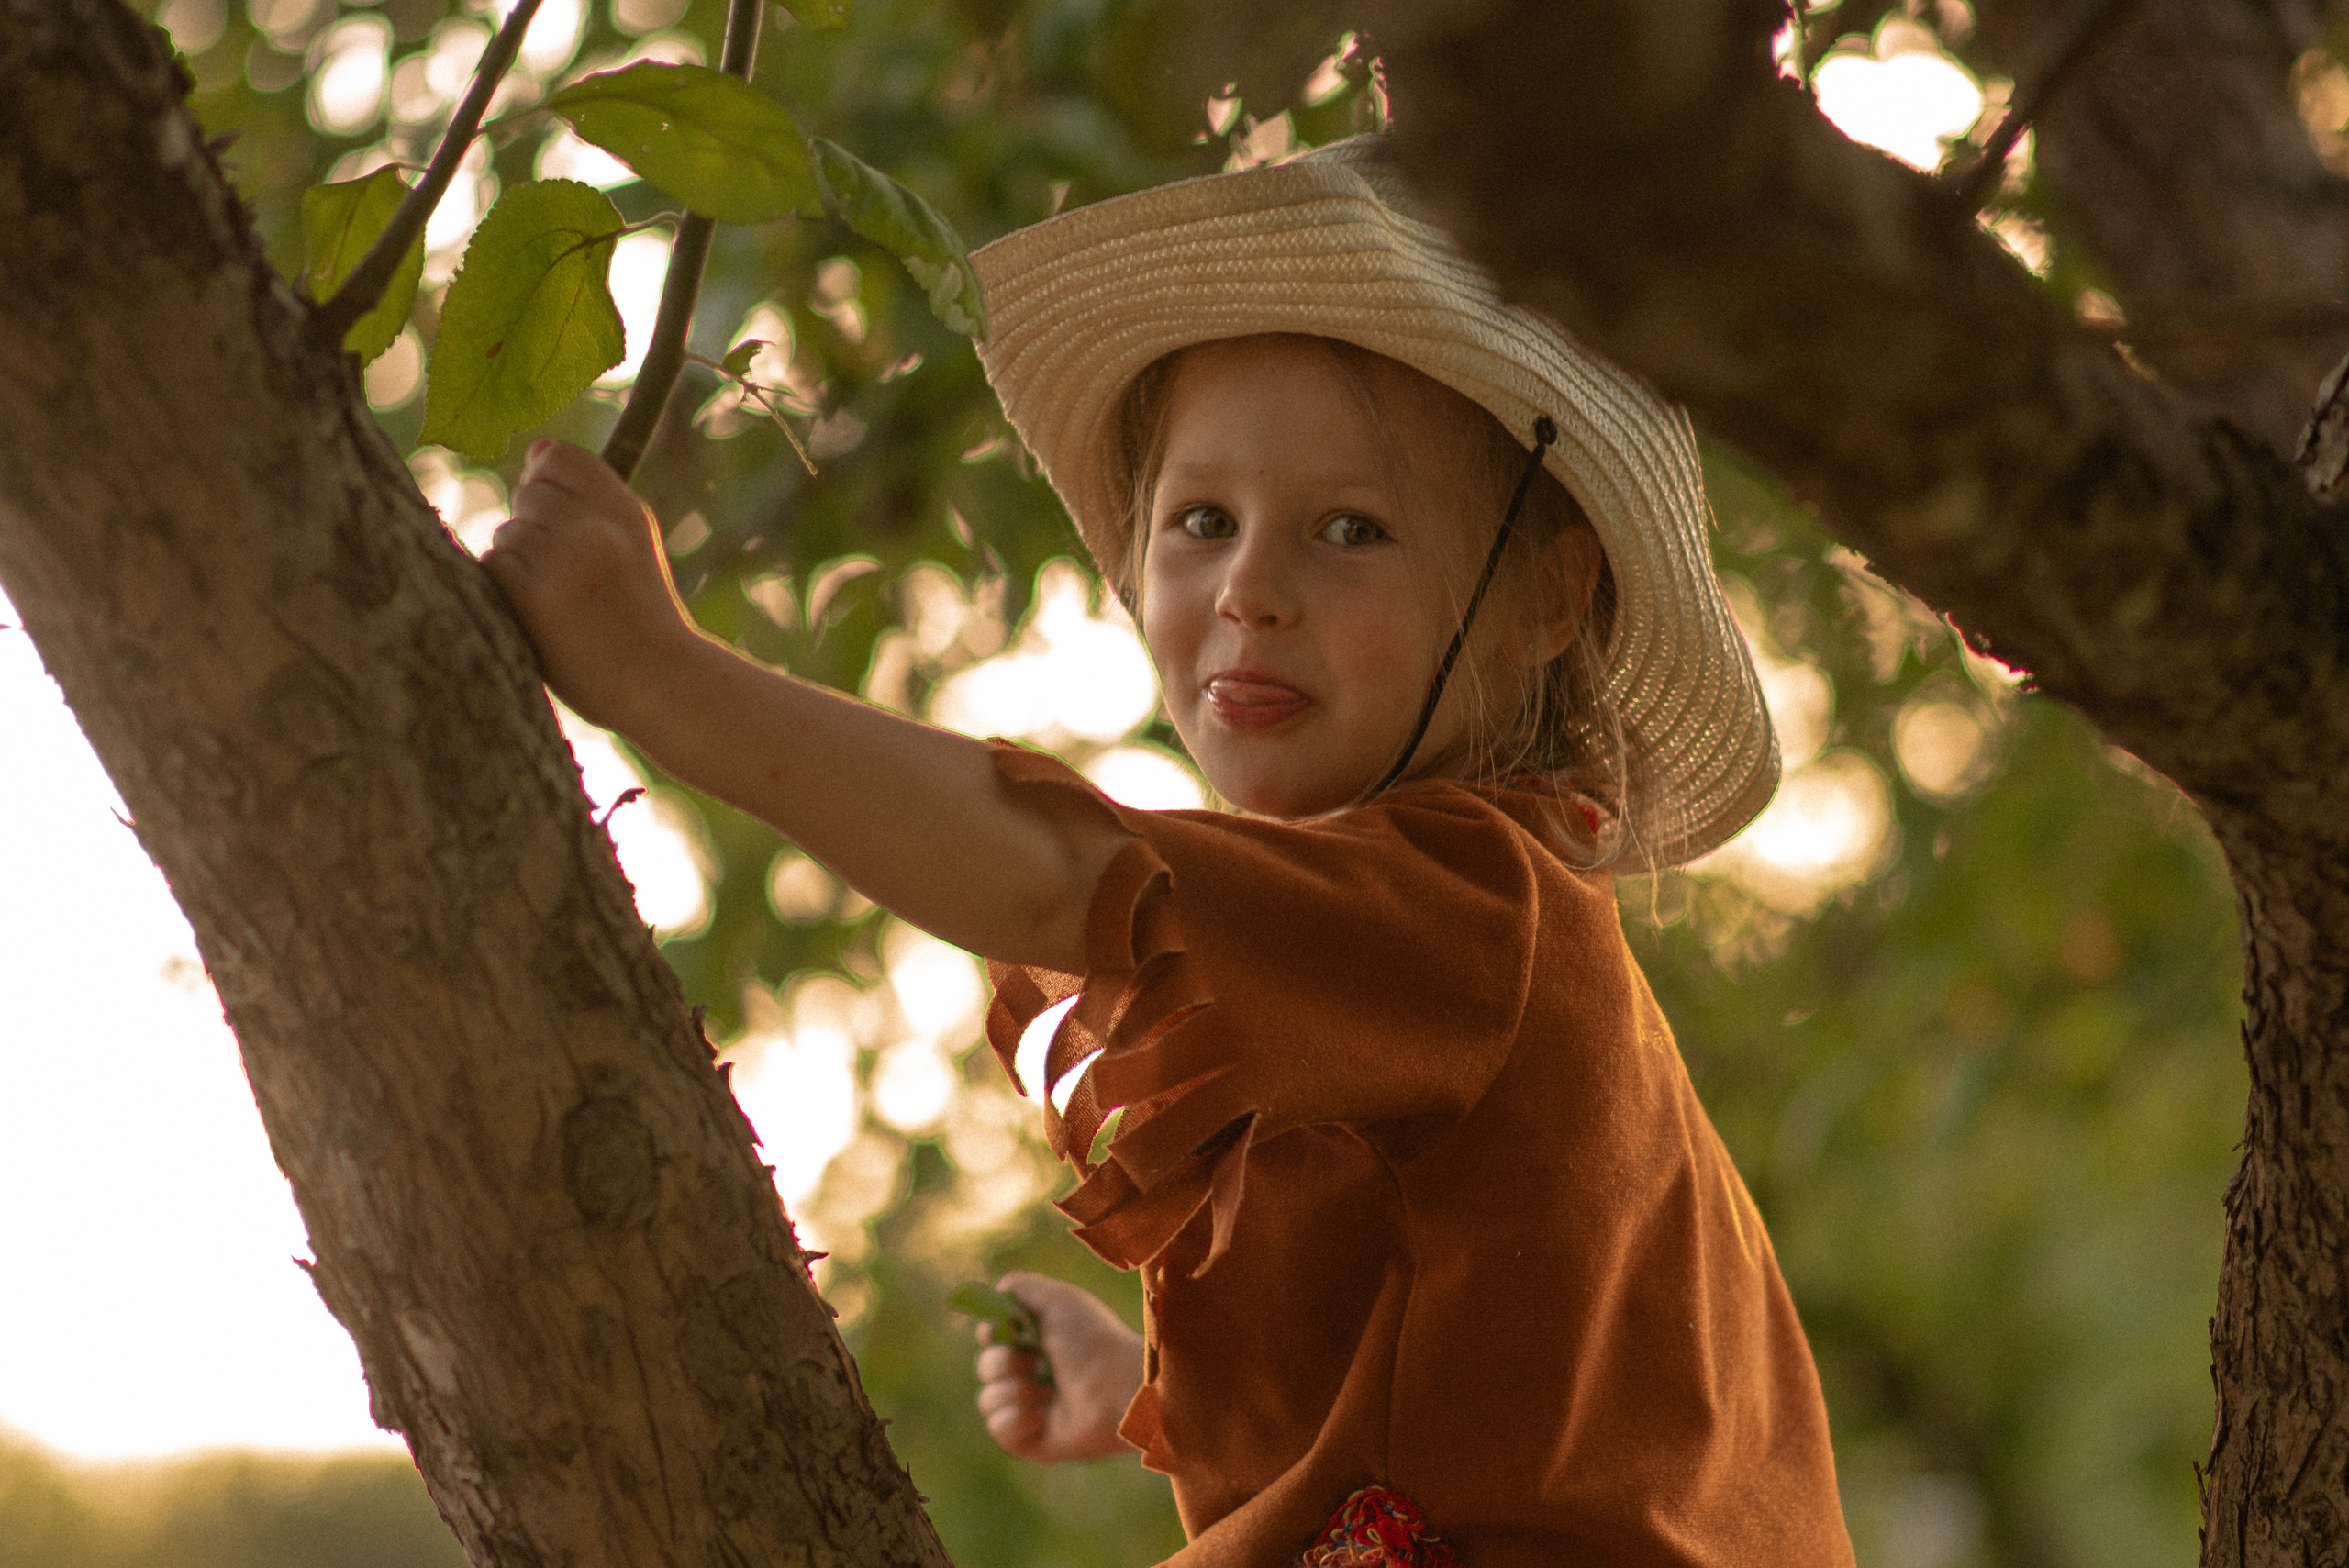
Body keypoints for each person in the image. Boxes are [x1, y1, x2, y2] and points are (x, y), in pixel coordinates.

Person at [484, 136, 1854, 1568]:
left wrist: (663, 677)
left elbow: (1050, 871)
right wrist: (1144, 1393)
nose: (1252, 592)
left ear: (1543, 602)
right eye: (1203, 521)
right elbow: (1454, 1378)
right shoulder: (1385, 945)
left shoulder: (1472, 899)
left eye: (1351, 530)